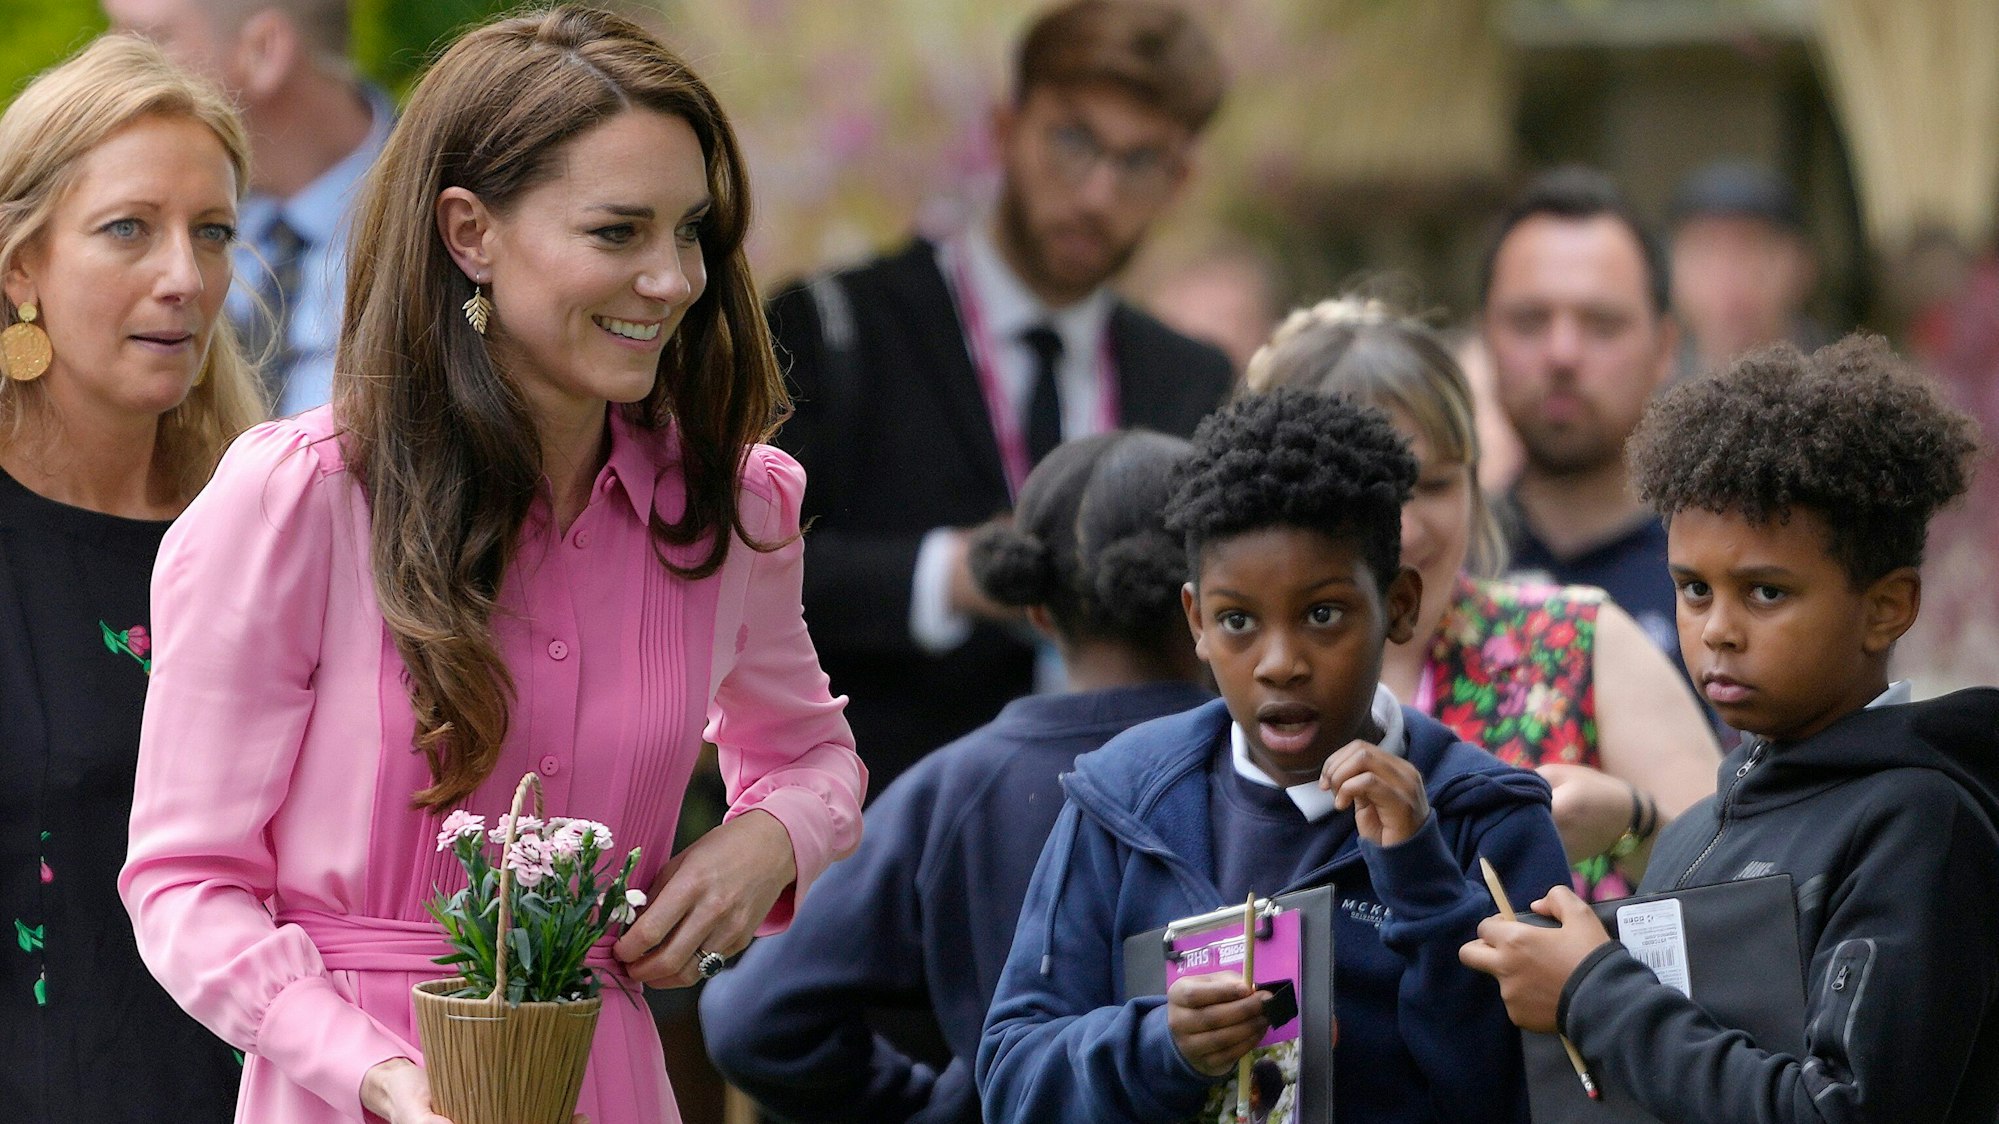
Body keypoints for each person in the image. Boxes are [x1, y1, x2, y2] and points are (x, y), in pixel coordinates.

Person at [117, 9, 865, 1124]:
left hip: (607, 1081)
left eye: (690, 232)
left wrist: (767, 841)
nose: (672, 279)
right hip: (348, 1089)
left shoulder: (733, 505)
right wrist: (376, 1074)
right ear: (469, 232)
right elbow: (185, 883)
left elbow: (811, 757)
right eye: (617, 232)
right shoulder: (299, 499)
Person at [977, 389, 1572, 1123]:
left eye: (1323, 614)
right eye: (1237, 621)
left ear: (1399, 604)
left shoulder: (1488, 818)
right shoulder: (1122, 800)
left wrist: (1424, 884)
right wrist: (1158, 1047)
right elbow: (1013, 1079)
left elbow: (1533, 1094)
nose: (1280, 663)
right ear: (1196, 620)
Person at [1460, 336, 1999, 1123]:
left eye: (1765, 592)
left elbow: (1840, 1111)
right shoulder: (1693, 832)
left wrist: (1590, 990)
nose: (1717, 629)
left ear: (1885, 608)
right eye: (1692, 589)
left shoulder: (1917, 827)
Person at [768, 0, 1234, 795]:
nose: (1096, 194)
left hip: (1122, 822)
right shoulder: (833, 326)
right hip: (877, 821)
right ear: (1004, 128)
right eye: (1072, 140)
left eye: (1139, 162)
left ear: (1178, 180)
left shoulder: (1189, 378)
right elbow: (744, 579)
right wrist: (951, 577)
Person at [699, 429, 1211, 1123]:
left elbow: (752, 1018)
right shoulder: (1281, 767)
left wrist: (936, 1108)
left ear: (1033, 608)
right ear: (1206, 599)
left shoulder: (961, 787)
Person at [0, 34, 264, 1122]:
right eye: (128, 229)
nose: (184, 278)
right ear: (20, 266)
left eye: (212, 233)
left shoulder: (268, 529)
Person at [1242, 298, 1717, 898]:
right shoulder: (1227, 674)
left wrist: (1633, 825)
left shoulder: (1578, 643)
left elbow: (1742, 890)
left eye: (1436, 485)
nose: (1407, 529)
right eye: (1370, 494)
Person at [104, 0, 393, 415]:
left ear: (264, 50)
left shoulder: (455, 220)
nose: (110, 68)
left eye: (150, 40)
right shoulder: (118, 225)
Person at [1479, 167, 1681, 657]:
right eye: (1529, 321)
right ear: (1485, 338)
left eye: (1602, 324)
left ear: (1664, 348)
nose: (1562, 354)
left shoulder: (1720, 582)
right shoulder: (1438, 572)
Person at [1668, 161, 1824, 378]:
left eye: (1752, 246)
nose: (1726, 273)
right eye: (1705, 249)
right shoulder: (1649, 385)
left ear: (1803, 265)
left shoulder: (1842, 382)